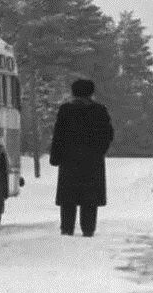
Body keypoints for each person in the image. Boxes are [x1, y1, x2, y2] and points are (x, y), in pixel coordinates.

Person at [49, 79, 114, 237]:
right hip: (92, 161)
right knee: (90, 198)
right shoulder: (99, 110)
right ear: (91, 92)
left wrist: (56, 156)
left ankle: (67, 228)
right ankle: (88, 228)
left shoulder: (66, 110)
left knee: (68, 197)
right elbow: (108, 134)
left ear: (73, 92)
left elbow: (58, 135)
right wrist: (99, 151)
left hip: (69, 160)